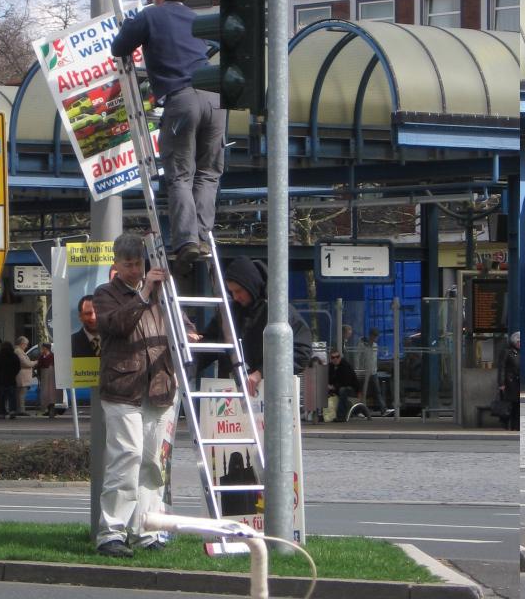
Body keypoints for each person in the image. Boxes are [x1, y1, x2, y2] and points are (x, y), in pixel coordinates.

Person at [110, 0, 227, 273]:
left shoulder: (151, 15)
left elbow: (119, 47)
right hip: (216, 98)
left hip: (182, 99)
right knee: (209, 173)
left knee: (180, 174)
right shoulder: (196, 18)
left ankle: (187, 241)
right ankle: (203, 236)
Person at [92, 232, 201, 558]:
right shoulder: (105, 294)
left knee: (153, 463)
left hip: (160, 389)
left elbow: (180, 322)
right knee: (125, 459)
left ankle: (147, 531)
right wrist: (143, 293)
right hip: (122, 391)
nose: (135, 270)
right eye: (128, 265)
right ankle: (110, 533)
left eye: (139, 263)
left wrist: (188, 332)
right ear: (116, 264)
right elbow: (117, 326)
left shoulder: (161, 294)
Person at [206, 256, 311, 397]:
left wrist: (262, 372)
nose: (235, 297)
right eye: (231, 292)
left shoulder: (279, 312)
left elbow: (301, 351)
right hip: (233, 396)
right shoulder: (229, 314)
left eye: (238, 291)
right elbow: (208, 344)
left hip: (272, 395)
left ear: (250, 285)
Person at [359, 329, 394, 416]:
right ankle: (361, 411)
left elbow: (375, 358)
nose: (375, 338)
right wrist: (359, 368)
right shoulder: (363, 345)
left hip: (373, 371)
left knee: (377, 391)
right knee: (364, 392)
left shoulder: (375, 345)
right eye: (374, 336)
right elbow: (358, 357)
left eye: (376, 336)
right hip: (365, 371)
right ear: (370, 335)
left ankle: (383, 409)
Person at [0, 340, 20, 420]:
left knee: (1, 398)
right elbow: (18, 367)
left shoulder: (0, 356)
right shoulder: (14, 356)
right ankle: (12, 411)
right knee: (12, 397)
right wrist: (13, 374)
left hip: (1, 380)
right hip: (11, 380)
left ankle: (2, 413)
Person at [327, 349, 361, 422]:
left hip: (352, 389)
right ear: (330, 359)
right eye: (333, 357)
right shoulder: (330, 367)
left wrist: (333, 387)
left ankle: (341, 416)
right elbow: (329, 380)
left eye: (337, 357)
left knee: (343, 390)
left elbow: (346, 382)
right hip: (338, 389)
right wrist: (329, 386)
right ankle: (321, 414)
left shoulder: (345, 365)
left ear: (340, 357)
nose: (335, 359)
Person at [497, 331, 520, 431]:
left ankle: (516, 426)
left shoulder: (521, 352)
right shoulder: (507, 352)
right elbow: (501, 368)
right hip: (510, 383)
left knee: (517, 406)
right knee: (509, 405)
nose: (520, 344)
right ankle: (507, 425)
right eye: (518, 342)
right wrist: (501, 383)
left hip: (517, 383)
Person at [14, 336, 37, 416]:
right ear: (22, 344)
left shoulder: (18, 351)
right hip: (21, 377)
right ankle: (21, 410)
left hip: (22, 377)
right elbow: (25, 363)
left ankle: (20, 409)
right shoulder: (18, 351)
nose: (26, 346)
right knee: (21, 394)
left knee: (20, 394)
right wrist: (35, 362)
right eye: (25, 344)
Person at [36, 342, 58, 418]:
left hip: (51, 377)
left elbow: (50, 365)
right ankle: (49, 410)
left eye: (43, 347)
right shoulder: (41, 356)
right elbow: (39, 366)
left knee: (51, 394)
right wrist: (38, 375)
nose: (42, 349)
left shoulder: (52, 356)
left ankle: (52, 410)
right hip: (44, 377)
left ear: (46, 348)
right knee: (45, 394)